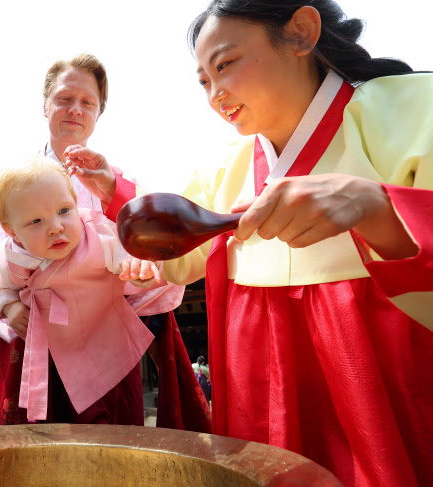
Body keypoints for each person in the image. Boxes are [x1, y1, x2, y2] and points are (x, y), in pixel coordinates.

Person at [71, 2, 431, 486]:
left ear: (301, 32)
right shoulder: (228, 164)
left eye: (225, 65)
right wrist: (116, 194)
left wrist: (377, 207)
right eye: (203, 81)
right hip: (255, 384)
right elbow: (180, 245)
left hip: (380, 379)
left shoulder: (414, 109)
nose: (215, 94)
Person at [0, 53, 209, 431]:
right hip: (28, 335)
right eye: (64, 99)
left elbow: (145, 252)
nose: (75, 110)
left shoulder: (116, 181)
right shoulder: (3, 183)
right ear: (45, 104)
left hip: (100, 336)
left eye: (87, 103)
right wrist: (13, 308)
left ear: (98, 113)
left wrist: (140, 273)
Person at [0, 155, 181, 423]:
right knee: (63, 421)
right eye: (36, 222)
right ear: (12, 232)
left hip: (108, 343)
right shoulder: (8, 255)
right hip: (56, 353)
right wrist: (11, 305)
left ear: (76, 204)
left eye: (64, 211)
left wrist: (138, 270)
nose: (55, 227)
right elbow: (0, 285)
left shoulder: (97, 234)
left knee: (118, 417)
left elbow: (126, 259)